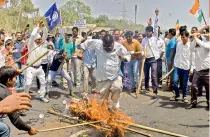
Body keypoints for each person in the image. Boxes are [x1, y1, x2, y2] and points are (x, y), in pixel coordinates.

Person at [80, 34, 131, 109]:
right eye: (105, 47)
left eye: (109, 47)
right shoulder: (97, 43)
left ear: (113, 43)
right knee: (101, 101)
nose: (107, 49)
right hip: (102, 77)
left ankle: (115, 101)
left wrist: (124, 58)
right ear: (103, 43)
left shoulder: (119, 47)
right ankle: (104, 112)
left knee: (117, 87)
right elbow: (85, 44)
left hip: (115, 75)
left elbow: (128, 56)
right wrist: (79, 50)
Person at [0, 66, 37, 136]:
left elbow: (2, 74)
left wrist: (14, 72)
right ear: (9, 80)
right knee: (5, 129)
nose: (16, 79)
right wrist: (29, 129)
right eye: (15, 77)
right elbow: (15, 120)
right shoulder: (5, 94)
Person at [24, 21, 49, 103]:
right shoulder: (31, 45)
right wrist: (37, 27)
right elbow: (32, 36)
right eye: (38, 39)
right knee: (28, 84)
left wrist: (44, 27)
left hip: (39, 68)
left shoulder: (41, 45)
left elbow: (45, 35)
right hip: (30, 68)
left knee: (43, 82)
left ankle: (42, 96)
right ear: (35, 40)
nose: (39, 40)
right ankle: (25, 96)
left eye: (40, 39)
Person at [187, 27, 210, 110]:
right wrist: (194, 38)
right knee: (193, 86)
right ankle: (193, 102)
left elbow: (203, 45)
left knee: (208, 89)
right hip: (197, 70)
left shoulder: (207, 43)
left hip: (207, 71)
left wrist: (196, 37)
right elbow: (191, 48)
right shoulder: (196, 44)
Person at [141, 9, 160, 97]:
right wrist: (142, 54)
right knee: (146, 74)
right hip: (146, 59)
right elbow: (142, 49)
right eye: (147, 31)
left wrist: (156, 16)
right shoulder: (144, 39)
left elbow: (156, 27)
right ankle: (147, 87)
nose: (148, 32)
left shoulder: (155, 37)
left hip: (153, 59)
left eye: (149, 31)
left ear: (152, 32)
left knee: (154, 74)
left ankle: (155, 90)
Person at [170, 31, 192, 103]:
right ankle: (177, 95)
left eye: (184, 37)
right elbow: (177, 54)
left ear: (188, 37)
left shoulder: (191, 45)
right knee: (174, 81)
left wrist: (191, 68)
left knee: (184, 83)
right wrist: (174, 63)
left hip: (186, 67)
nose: (183, 39)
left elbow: (192, 58)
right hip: (177, 66)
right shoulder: (179, 44)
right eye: (182, 37)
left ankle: (184, 96)